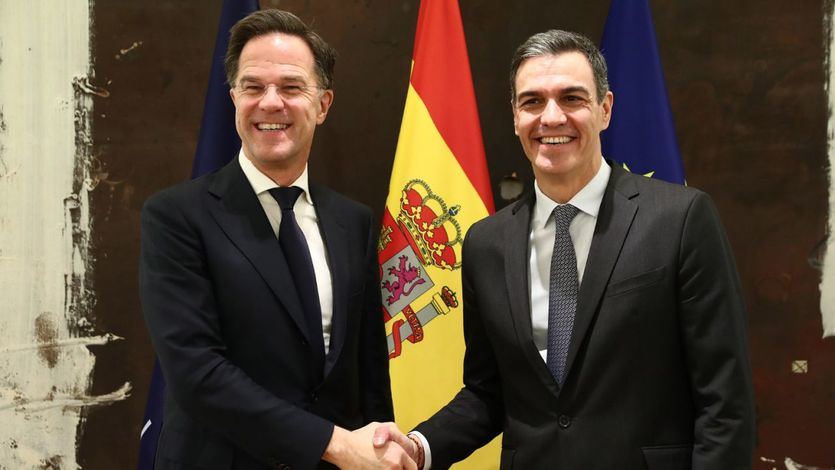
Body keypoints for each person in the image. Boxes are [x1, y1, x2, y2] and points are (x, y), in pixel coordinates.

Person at [374, 29, 755, 469]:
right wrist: (419, 447)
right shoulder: (486, 243)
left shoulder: (680, 219)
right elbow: (488, 391)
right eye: (532, 102)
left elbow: (725, 402)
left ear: (605, 109)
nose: (551, 117)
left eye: (571, 98)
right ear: (515, 116)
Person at [140, 9, 414, 470]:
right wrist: (334, 444)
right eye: (253, 87)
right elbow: (197, 373)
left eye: (290, 87)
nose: (270, 103)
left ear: (322, 104)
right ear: (233, 99)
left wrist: (379, 445)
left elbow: (368, 372)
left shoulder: (354, 222)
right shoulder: (175, 217)